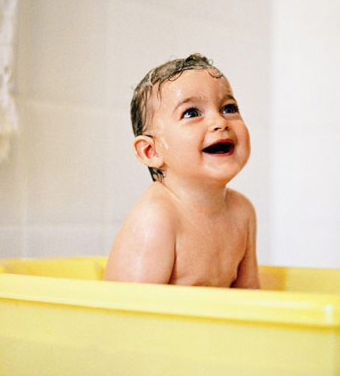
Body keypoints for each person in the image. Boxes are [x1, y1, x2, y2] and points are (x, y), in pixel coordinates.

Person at [104, 54, 259, 289]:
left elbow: (251, 297)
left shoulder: (242, 212)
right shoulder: (157, 218)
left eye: (228, 108)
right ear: (150, 151)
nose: (220, 122)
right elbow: (128, 308)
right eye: (191, 113)